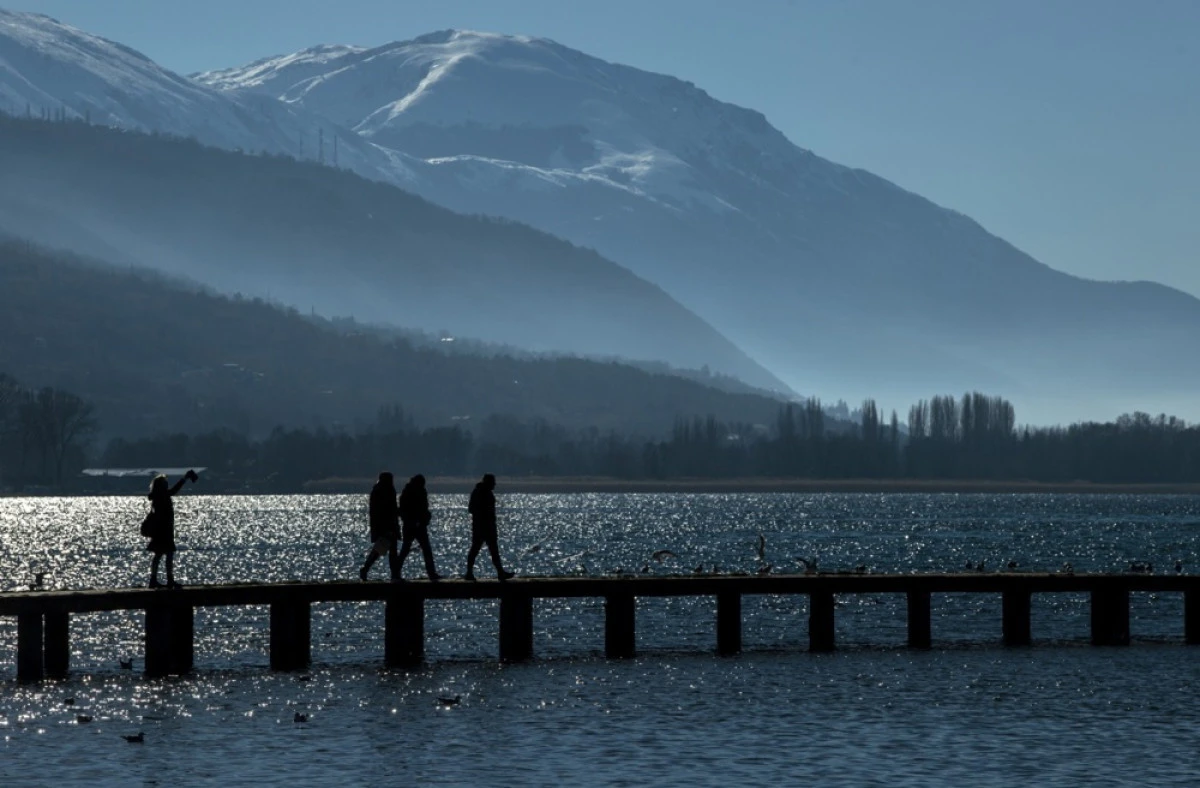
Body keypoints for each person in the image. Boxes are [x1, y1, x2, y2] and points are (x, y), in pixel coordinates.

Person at [143, 469, 199, 589]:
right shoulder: (162, 495)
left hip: (162, 531)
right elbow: (174, 490)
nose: (167, 484)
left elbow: (172, 491)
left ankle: (155, 580)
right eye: (164, 482)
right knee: (167, 554)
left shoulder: (158, 496)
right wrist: (185, 478)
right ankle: (168, 580)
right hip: (163, 531)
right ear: (160, 485)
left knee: (160, 555)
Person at [464, 473, 514, 581]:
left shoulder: (485, 492)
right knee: (475, 550)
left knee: (493, 551)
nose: (495, 485)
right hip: (481, 528)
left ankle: (500, 573)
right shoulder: (479, 492)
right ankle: (469, 572)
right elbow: (471, 509)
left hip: (488, 527)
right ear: (488, 482)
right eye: (493, 482)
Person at [396, 474, 440, 581]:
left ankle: (431, 573)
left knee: (422, 549)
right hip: (411, 525)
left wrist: (425, 518)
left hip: (418, 525)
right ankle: (396, 573)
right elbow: (405, 510)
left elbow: (423, 508)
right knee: (408, 549)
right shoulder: (408, 493)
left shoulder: (416, 491)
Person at [359, 472, 400, 581]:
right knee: (386, 550)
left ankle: (393, 574)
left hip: (385, 526)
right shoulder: (384, 490)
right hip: (387, 526)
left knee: (383, 550)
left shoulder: (379, 490)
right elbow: (386, 510)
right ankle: (394, 575)